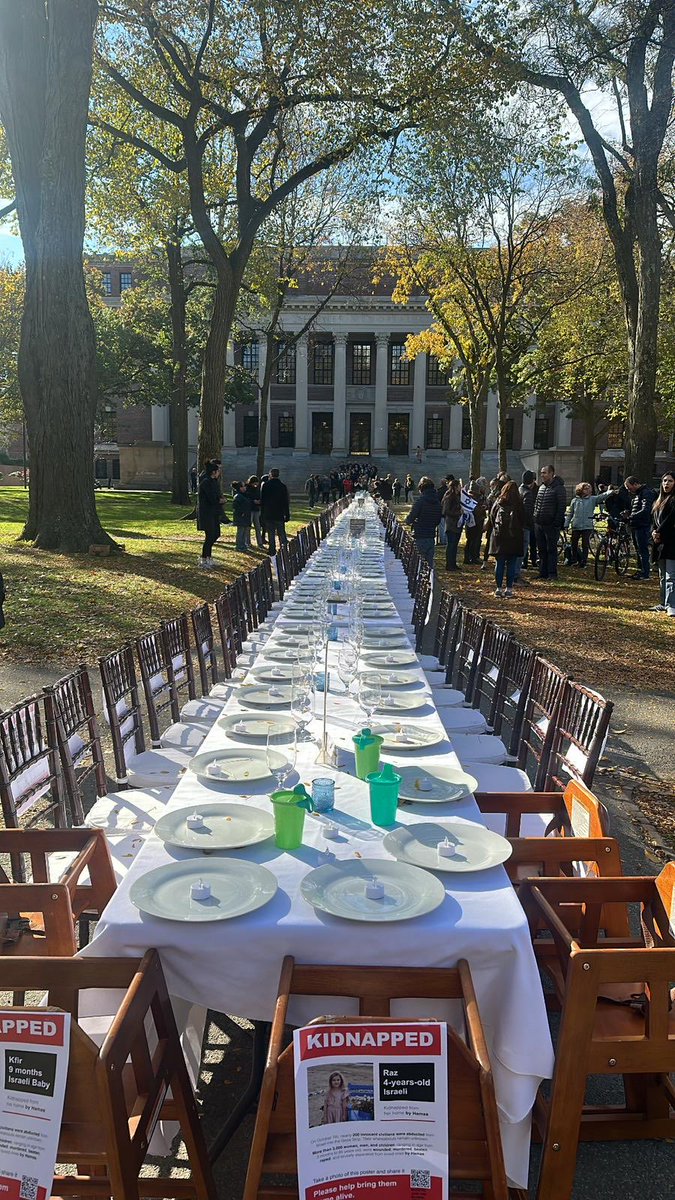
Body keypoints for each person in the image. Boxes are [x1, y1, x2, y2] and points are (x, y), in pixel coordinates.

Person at [490, 480, 526, 598]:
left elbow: (492, 516)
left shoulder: (498, 502)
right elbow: (524, 519)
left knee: (499, 563)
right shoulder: (519, 503)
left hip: (499, 537)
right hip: (514, 537)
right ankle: (509, 588)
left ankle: (498, 588)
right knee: (511, 564)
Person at [534, 464, 566, 580]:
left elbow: (561, 506)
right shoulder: (541, 487)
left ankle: (552, 573)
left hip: (551, 524)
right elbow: (537, 503)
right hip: (539, 523)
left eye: (544, 473)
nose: (542, 475)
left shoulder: (559, 488)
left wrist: (556, 522)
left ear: (551, 473)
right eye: (541, 473)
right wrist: (535, 518)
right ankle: (542, 572)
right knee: (541, 549)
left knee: (551, 549)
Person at [623, 475, 657, 580]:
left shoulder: (646, 493)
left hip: (642, 525)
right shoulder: (639, 494)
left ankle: (645, 572)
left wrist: (631, 516)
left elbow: (646, 510)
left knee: (643, 550)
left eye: (629, 487)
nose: (629, 490)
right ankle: (641, 570)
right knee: (639, 550)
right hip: (637, 524)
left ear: (635, 484)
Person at [650, 472, 675, 615]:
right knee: (662, 575)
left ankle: (671, 604)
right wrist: (653, 532)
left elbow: (670, 519)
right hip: (660, 543)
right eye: (664, 481)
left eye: (670, 481)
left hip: (671, 542)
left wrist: (658, 531)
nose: (666, 484)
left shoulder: (673, 501)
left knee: (671, 574)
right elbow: (654, 520)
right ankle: (663, 602)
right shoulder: (658, 501)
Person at [564, 482, 603, 568]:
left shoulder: (592, 499)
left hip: (587, 526)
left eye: (589, 488)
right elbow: (570, 513)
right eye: (586, 488)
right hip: (576, 525)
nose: (589, 490)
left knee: (585, 544)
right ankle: (574, 559)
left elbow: (601, 497)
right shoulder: (575, 501)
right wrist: (566, 524)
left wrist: (610, 492)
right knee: (574, 543)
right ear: (580, 490)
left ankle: (583, 561)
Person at [405, 476, 442, 568]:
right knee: (429, 565)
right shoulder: (437, 502)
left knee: (417, 564)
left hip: (420, 534)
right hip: (431, 535)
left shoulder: (420, 501)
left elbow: (410, 519)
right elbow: (437, 520)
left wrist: (412, 521)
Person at [197, 460, 224, 569]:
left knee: (216, 534)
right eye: (218, 470)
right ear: (214, 472)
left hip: (214, 513)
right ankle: (204, 558)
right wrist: (220, 500)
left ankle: (208, 556)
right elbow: (211, 498)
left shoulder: (214, 481)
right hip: (207, 513)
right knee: (210, 536)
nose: (219, 472)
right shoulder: (206, 482)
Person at [260, 467, 290, 556]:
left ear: (270, 474)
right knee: (281, 532)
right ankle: (284, 549)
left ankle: (272, 549)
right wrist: (287, 514)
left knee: (271, 533)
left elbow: (263, 500)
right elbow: (286, 501)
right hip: (279, 512)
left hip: (268, 512)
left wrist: (262, 514)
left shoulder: (266, 485)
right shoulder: (283, 486)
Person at [518, 470, 538, 571]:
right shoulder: (528, 493)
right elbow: (528, 511)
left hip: (519, 523)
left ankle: (525, 563)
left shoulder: (519, 490)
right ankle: (521, 566)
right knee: (525, 545)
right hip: (526, 524)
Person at [441, 479, 462, 570]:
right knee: (451, 545)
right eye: (459, 485)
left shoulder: (458, 496)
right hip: (451, 524)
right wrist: (458, 513)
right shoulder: (449, 496)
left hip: (457, 523)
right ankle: (449, 564)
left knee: (455, 545)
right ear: (455, 486)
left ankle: (453, 563)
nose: (460, 487)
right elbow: (445, 511)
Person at [465, 485, 487, 564]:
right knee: (472, 541)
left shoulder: (478, 497)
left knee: (472, 541)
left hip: (475, 521)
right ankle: (471, 558)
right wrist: (482, 508)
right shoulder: (472, 498)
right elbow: (474, 509)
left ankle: (471, 557)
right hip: (474, 522)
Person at [232, 480, 253, 551]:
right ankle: (238, 546)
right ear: (240, 488)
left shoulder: (244, 495)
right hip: (241, 517)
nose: (245, 488)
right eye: (243, 486)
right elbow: (236, 506)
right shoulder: (238, 496)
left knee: (244, 531)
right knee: (240, 531)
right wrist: (241, 513)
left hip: (246, 516)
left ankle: (243, 545)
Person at [246, 475, 264, 547]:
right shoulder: (247, 489)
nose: (255, 485)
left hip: (256, 509)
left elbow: (259, 496)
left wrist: (259, 501)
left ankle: (260, 543)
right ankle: (248, 542)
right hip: (250, 509)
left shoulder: (257, 489)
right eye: (254, 483)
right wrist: (253, 501)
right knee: (248, 527)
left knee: (258, 527)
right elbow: (247, 498)